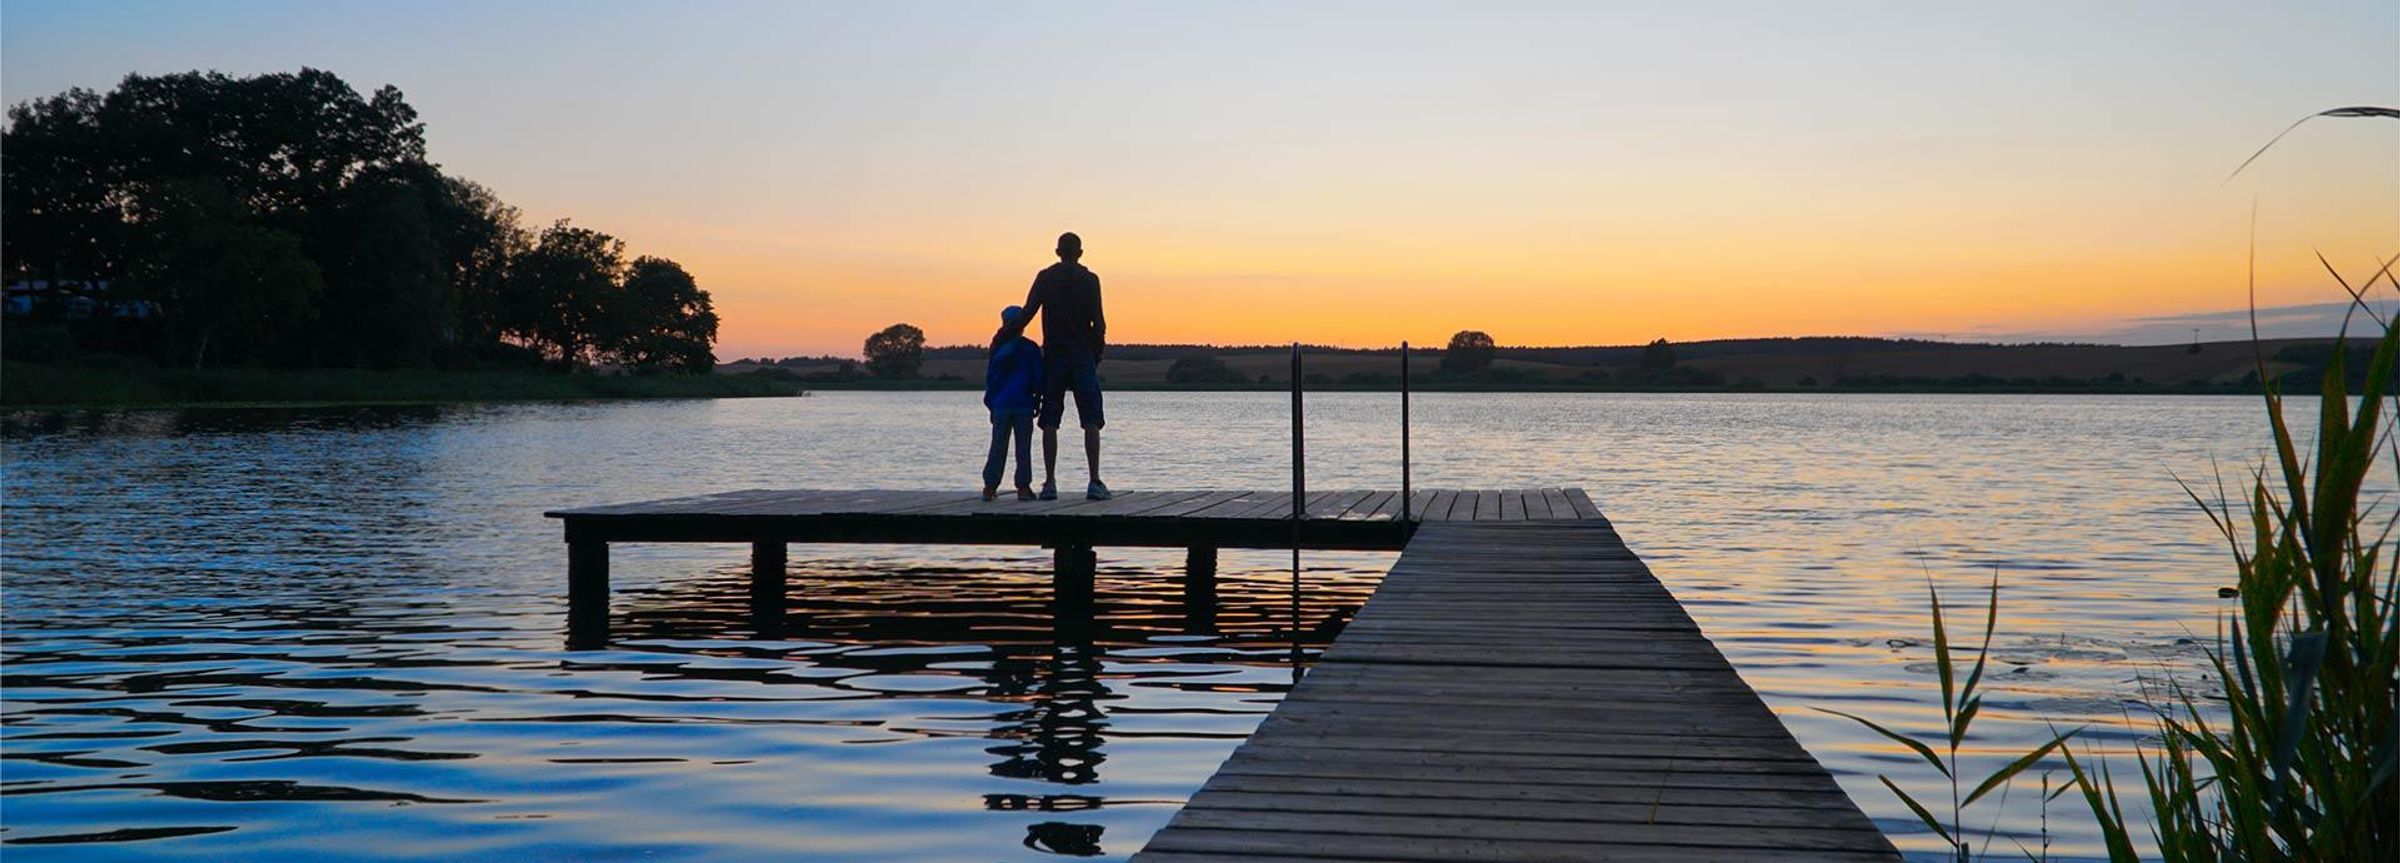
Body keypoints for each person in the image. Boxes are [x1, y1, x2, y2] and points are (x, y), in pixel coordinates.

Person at [995, 231, 1109, 500]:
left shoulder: (1045, 278)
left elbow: (1027, 313)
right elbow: (1099, 324)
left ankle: (1049, 483)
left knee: (1050, 421)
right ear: (1080, 253)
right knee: (1091, 419)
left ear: (1057, 252)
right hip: (1082, 355)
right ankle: (1094, 481)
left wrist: (1002, 336)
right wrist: (1096, 355)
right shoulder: (1090, 280)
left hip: (1055, 356)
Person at [982, 306, 1043, 501]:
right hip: (1023, 404)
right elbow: (1038, 377)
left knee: (998, 446)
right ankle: (1023, 488)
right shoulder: (1030, 348)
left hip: (1000, 405)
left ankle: (990, 487)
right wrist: (1037, 399)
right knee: (1023, 447)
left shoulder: (997, 347)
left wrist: (991, 404)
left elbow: (991, 379)